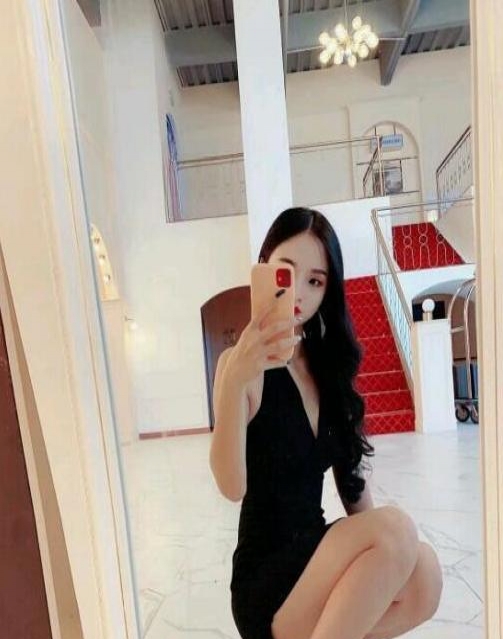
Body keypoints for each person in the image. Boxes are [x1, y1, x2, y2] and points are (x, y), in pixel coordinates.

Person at [209, 208, 443, 639]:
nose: (298, 292)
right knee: (396, 531)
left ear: (327, 291)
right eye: (286, 273)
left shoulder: (328, 370)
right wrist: (236, 379)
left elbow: (355, 493)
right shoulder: (238, 367)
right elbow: (231, 486)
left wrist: (390, 557)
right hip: (267, 580)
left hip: (316, 557)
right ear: (264, 268)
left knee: (424, 573)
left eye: (315, 281)